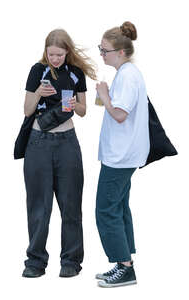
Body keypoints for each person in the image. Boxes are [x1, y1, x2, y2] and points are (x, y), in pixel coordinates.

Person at [22, 29, 96, 278]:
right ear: (45, 51)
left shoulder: (76, 73)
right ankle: (35, 261)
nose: (54, 59)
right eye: (51, 54)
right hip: (38, 140)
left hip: (67, 140)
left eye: (59, 54)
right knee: (38, 206)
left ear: (68, 52)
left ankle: (71, 261)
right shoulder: (37, 70)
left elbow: (84, 110)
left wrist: (77, 104)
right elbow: (27, 109)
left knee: (71, 204)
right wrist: (38, 95)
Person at [95, 21, 150, 287]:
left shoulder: (127, 76)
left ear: (120, 52)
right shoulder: (127, 73)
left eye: (104, 50)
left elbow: (119, 114)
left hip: (120, 157)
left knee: (105, 210)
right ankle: (123, 261)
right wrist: (107, 96)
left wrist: (104, 96)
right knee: (118, 207)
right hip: (123, 154)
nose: (101, 54)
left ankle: (125, 269)